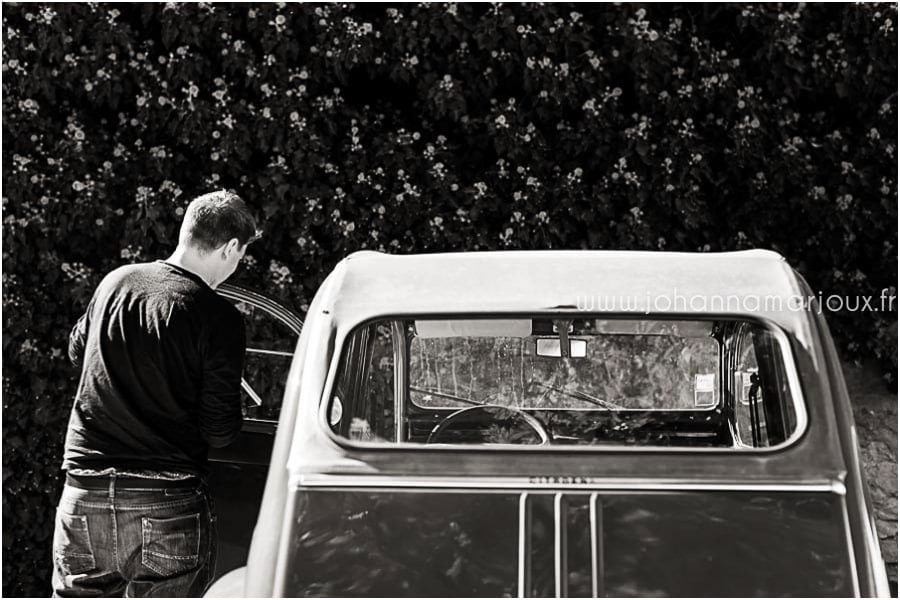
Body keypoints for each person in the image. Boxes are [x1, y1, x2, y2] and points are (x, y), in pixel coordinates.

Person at [52, 190, 259, 597]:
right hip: (167, 501)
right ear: (230, 247)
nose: (236, 266)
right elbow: (219, 431)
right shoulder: (219, 319)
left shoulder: (117, 281)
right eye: (240, 256)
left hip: (84, 491)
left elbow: (77, 348)